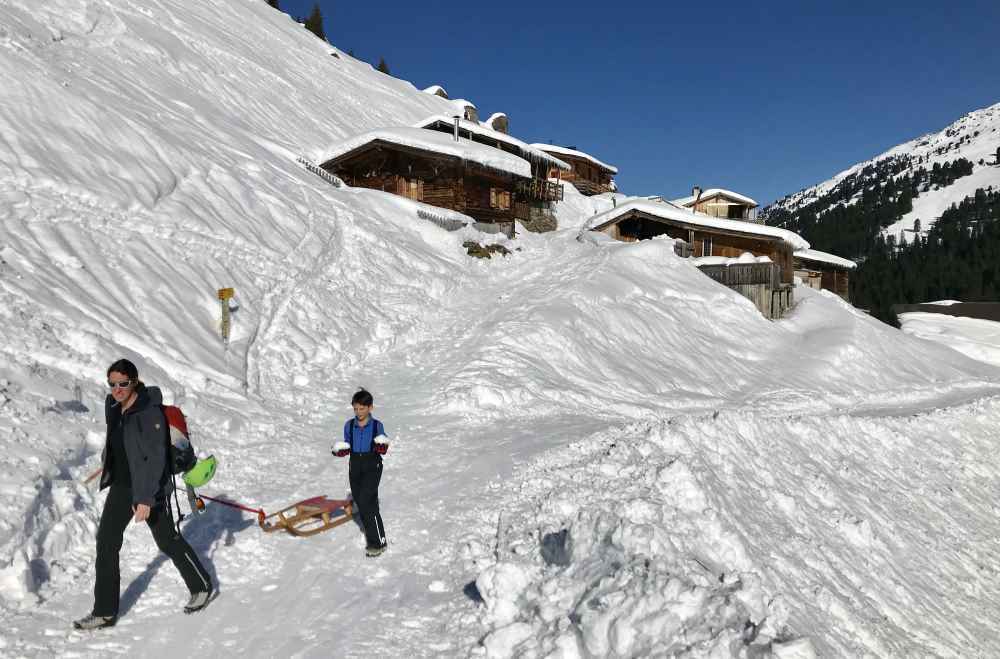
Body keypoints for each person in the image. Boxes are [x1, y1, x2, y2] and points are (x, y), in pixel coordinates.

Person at [73, 359, 213, 630]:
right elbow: (121, 440)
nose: (117, 389)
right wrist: (111, 459)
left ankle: (202, 585)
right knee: (106, 544)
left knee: (168, 540)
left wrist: (147, 499)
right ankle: (104, 612)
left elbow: (156, 459)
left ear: (134, 381)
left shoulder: (149, 413)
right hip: (122, 487)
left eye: (123, 383)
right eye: (112, 383)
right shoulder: (113, 405)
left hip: (151, 486)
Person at [332, 388, 389, 557]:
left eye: (362, 408)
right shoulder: (349, 425)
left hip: (372, 465)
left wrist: (382, 447)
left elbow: (383, 442)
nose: (358, 412)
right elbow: (347, 444)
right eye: (355, 408)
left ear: (370, 408)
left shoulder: (377, 425)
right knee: (362, 501)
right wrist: (341, 451)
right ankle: (377, 533)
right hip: (355, 465)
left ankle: (377, 542)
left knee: (365, 501)